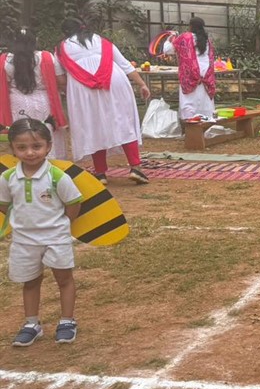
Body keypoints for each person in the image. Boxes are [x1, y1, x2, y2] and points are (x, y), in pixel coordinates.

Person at [0, 118, 83, 346]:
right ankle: (31, 324)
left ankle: (67, 321)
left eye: (36, 146)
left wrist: (62, 225)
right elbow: (4, 204)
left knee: (64, 279)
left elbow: (73, 203)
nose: (30, 152)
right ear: (12, 149)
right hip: (24, 241)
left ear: (48, 147)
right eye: (22, 147)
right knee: (30, 282)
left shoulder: (57, 177)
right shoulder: (7, 178)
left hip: (56, 238)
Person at [56, 18, 150, 185]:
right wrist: (142, 84)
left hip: (82, 88)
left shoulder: (61, 49)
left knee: (93, 125)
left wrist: (71, 90)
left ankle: (100, 173)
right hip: (114, 82)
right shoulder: (101, 41)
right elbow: (125, 65)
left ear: (65, 32)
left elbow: (60, 79)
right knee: (123, 121)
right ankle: (135, 168)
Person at [0, 30, 69, 159]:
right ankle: (51, 160)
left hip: (17, 102)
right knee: (46, 129)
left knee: (22, 131)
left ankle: (24, 160)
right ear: (35, 41)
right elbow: (61, 81)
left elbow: (4, 83)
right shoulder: (46, 57)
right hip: (44, 101)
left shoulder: (5, 61)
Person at [164, 16, 216, 121]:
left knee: (189, 101)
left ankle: (190, 123)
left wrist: (169, 39)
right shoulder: (207, 40)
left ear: (191, 26)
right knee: (205, 100)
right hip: (206, 74)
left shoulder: (185, 37)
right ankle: (207, 122)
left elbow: (167, 50)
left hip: (191, 73)